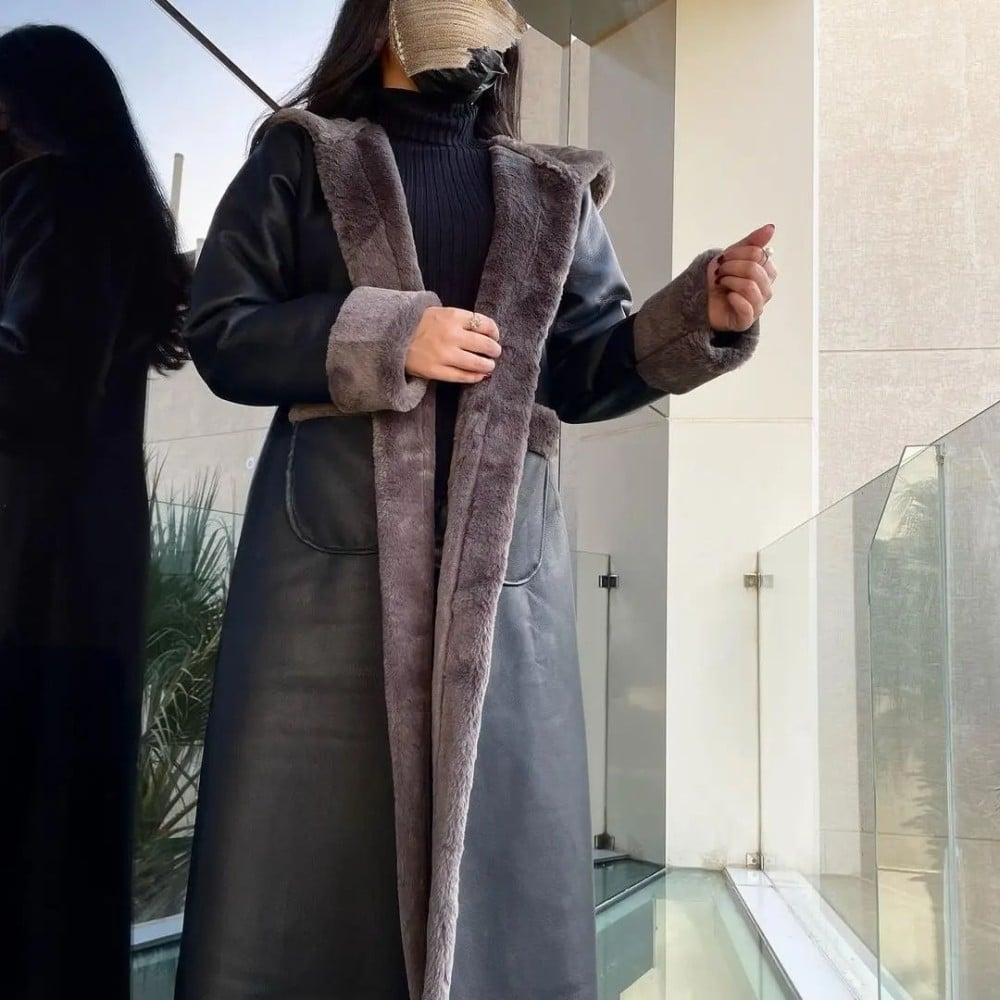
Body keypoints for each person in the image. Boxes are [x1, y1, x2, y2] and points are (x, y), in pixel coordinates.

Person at [176, 1, 776, 998]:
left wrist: (697, 314)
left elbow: (580, 369)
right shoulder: (304, 156)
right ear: (384, 18)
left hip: (503, 578)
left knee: (504, 846)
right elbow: (224, 329)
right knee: (313, 847)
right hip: (325, 569)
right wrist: (387, 335)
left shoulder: (552, 189)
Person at [0, 24, 188, 1000]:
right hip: (83, 581)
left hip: (28, 579)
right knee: (68, 863)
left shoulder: (54, 195)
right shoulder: (114, 212)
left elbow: (36, 387)